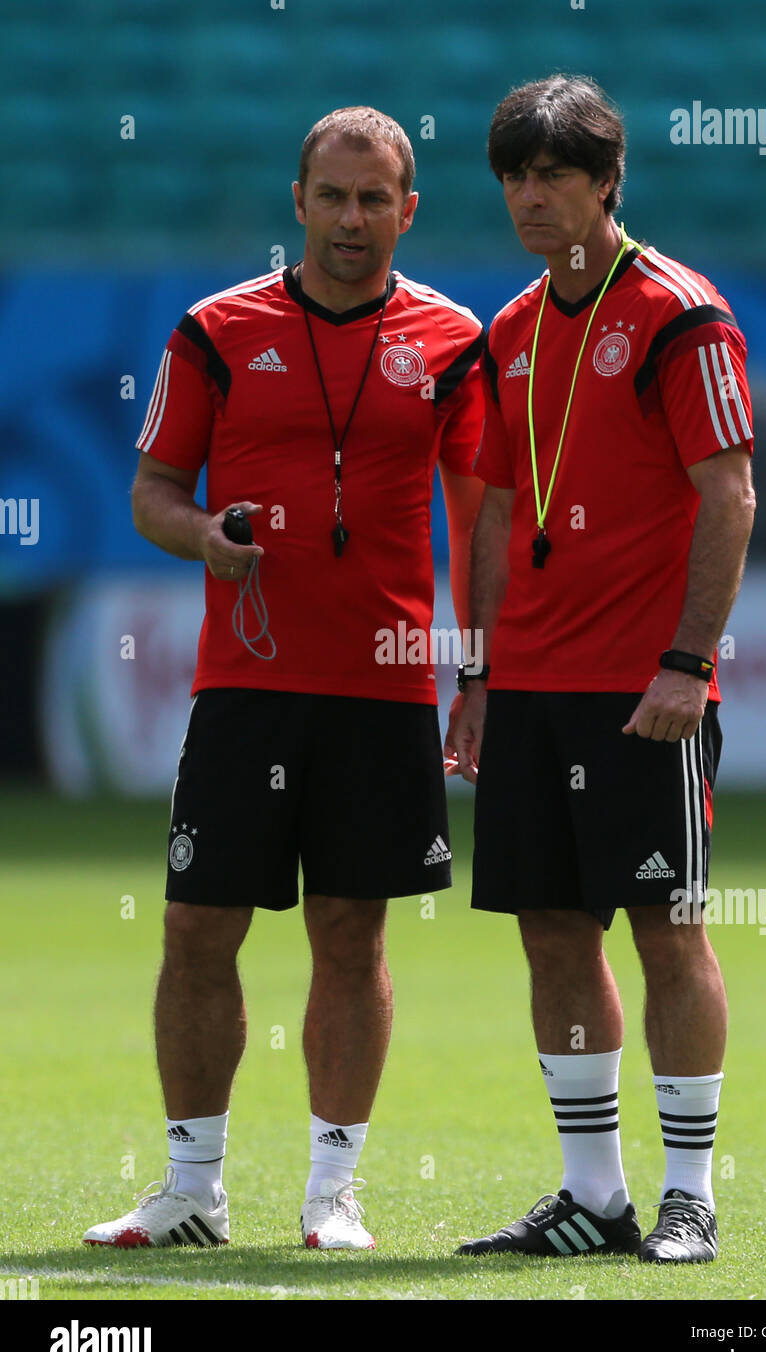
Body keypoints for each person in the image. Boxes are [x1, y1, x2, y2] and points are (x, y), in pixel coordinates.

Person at [82, 107, 485, 1252]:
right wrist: (204, 535)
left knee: (352, 934)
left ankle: (332, 1195)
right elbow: (152, 492)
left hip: (387, 688)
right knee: (196, 928)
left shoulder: (454, 342)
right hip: (245, 686)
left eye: (375, 198)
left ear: (408, 210)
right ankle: (192, 1190)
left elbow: (481, 519)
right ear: (298, 202)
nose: (353, 218)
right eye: (334, 196)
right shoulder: (215, 331)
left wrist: (480, 670)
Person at [448, 75, 755, 1263]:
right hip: (529, 683)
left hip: (641, 690)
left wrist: (687, 661)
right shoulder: (510, 330)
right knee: (551, 929)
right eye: (515, 177)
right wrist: (478, 673)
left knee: (666, 927)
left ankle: (690, 1196)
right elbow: (495, 512)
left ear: (608, 182)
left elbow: (730, 495)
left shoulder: (682, 312)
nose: (532, 196)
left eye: (556, 175)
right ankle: (593, 1195)